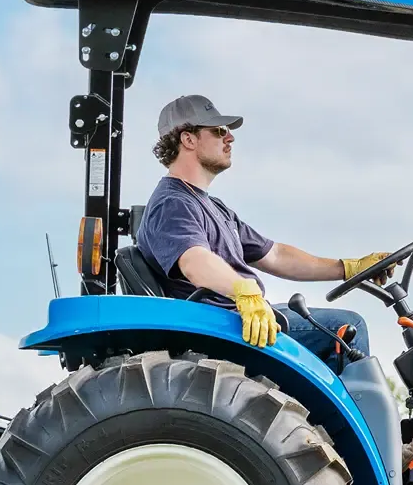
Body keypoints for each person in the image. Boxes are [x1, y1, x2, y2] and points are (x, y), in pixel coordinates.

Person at [133, 94, 392, 374]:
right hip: (224, 326)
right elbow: (194, 261)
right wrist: (245, 292)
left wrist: (349, 268)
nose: (230, 138)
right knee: (349, 327)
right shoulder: (173, 203)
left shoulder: (213, 207)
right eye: (219, 131)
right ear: (189, 140)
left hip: (241, 317)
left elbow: (276, 255)